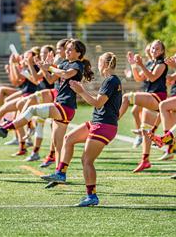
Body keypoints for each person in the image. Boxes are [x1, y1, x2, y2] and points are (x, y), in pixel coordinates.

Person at [0, 39, 94, 184]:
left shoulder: (77, 65)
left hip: (65, 107)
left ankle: (6, 128)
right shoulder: (64, 63)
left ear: (78, 53)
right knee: (58, 144)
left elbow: (65, 74)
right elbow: (50, 80)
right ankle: (59, 174)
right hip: (60, 105)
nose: (67, 51)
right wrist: (43, 67)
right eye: (67, 49)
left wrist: (50, 67)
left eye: (70, 49)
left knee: (32, 109)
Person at [40, 52, 122, 207]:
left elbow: (98, 103)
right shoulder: (110, 80)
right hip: (99, 122)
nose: (98, 64)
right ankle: (61, 173)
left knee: (86, 160)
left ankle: (91, 196)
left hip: (104, 125)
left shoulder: (111, 81)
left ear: (104, 64)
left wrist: (81, 91)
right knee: (69, 138)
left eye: (100, 61)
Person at [118, 40, 168, 172]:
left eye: (157, 49)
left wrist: (140, 64)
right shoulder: (151, 63)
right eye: (153, 48)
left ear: (162, 51)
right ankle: (145, 160)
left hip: (157, 97)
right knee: (146, 131)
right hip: (150, 97)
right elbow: (139, 78)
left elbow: (152, 78)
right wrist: (134, 65)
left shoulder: (161, 64)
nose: (154, 51)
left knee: (126, 97)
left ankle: (114, 119)